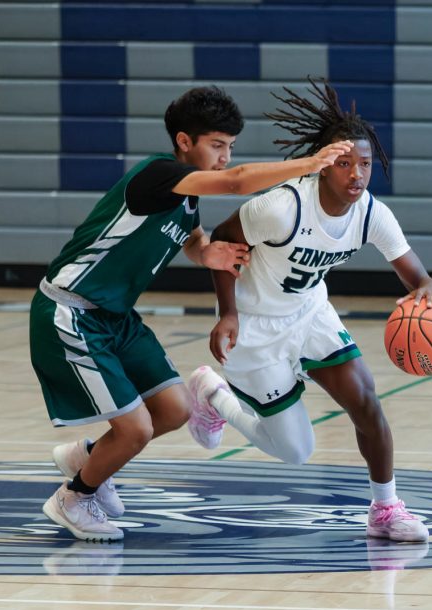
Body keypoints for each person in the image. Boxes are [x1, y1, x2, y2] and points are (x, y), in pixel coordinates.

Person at [31, 85, 353, 542]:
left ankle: (88, 456)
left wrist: (207, 254)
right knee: (136, 428)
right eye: (217, 145)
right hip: (72, 312)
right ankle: (73, 496)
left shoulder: (184, 196)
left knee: (176, 408)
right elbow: (238, 182)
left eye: (230, 147)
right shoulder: (159, 174)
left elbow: (191, 235)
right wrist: (310, 164)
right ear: (185, 141)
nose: (224, 156)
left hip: (116, 318)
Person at [187, 79, 432, 543]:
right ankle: (213, 395)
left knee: (366, 402)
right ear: (324, 166)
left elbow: (419, 277)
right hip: (256, 326)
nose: (357, 175)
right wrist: (227, 314)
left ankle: (385, 509)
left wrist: (427, 291)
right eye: (345, 163)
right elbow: (223, 244)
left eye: (365, 165)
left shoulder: (371, 213)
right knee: (295, 450)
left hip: (310, 314)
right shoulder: (281, 207)